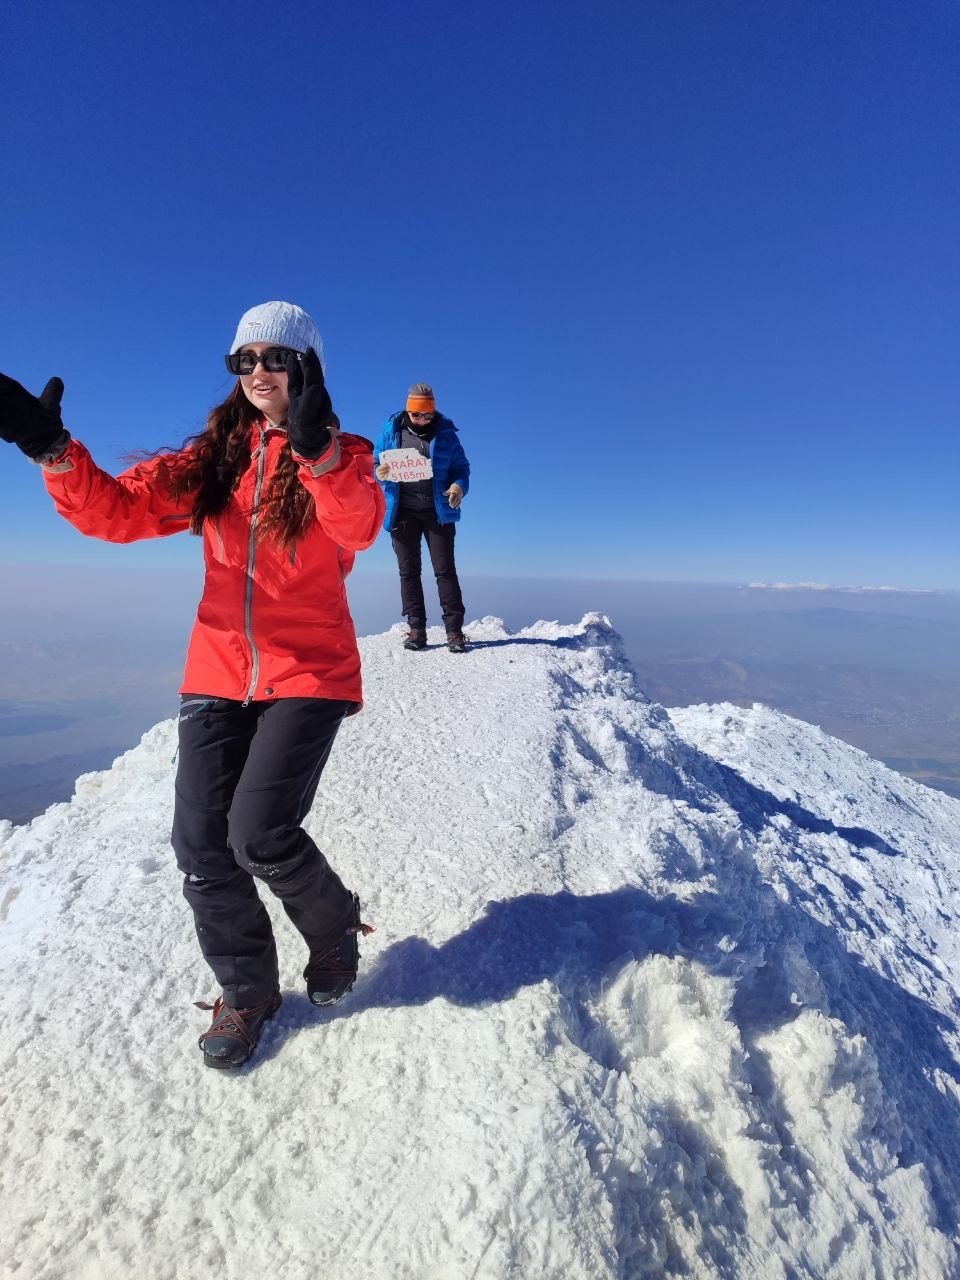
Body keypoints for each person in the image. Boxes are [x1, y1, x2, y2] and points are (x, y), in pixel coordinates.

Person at [0, 301, 385, 1070]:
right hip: (216, 671)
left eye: (276, 358)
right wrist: (49, 448)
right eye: (244, 361)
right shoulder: (213, 461)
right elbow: (119, 513)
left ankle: (333, 923)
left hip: (309, 672)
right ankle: (249, 993)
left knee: (259, 835)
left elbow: (359, 529)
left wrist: (319, 454)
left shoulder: (344, 455)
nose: (259, 374)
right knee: (203, 849)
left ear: (307, 367)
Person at [374, 383, 471, 653]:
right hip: (402, 511)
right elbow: (375, 463)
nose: (422, 420)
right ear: (408, 411)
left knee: (445, 571)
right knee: (409, 571)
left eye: (427, 415)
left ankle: (454, 631)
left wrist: (458, 487)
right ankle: (416, 629)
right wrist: (379, 472)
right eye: (417, 415)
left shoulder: (447, 435)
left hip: (437, 510)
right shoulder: (392, 430)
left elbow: (461, 468)